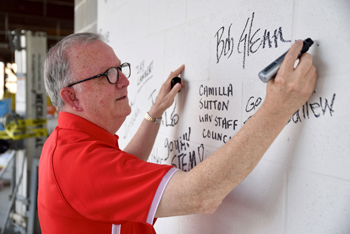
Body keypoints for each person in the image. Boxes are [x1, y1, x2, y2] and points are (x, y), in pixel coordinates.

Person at [38, 32, 317, 234]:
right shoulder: (77, 162)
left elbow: (119, 175)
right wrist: (279, 107)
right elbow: (201, 195)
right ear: (72, 98)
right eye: (108, 74)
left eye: (120, 69)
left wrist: (156, 112)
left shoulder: (69, 143)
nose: (124, 81)